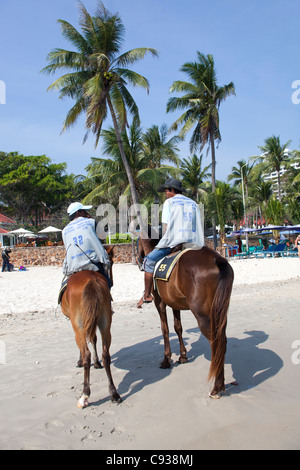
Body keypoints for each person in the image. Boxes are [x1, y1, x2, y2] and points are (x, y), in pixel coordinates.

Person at [137, 177, 204, 308]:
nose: (165, 194)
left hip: (175, 242)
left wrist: (165, 240)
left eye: (166, 191)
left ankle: (147, 294)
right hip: (195, 243)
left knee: (149, 261)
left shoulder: (169, 203)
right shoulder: (193, 203)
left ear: (172, 190)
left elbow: (166, 228)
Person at [62, 202, 112, 287]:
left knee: (63, 288)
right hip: (93, 263)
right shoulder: (91, 222)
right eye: (84, 211)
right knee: (107, 282)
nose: (86, 213)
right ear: (78, 212)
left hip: (73, 265)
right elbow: (102, 238)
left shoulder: (64, 231)